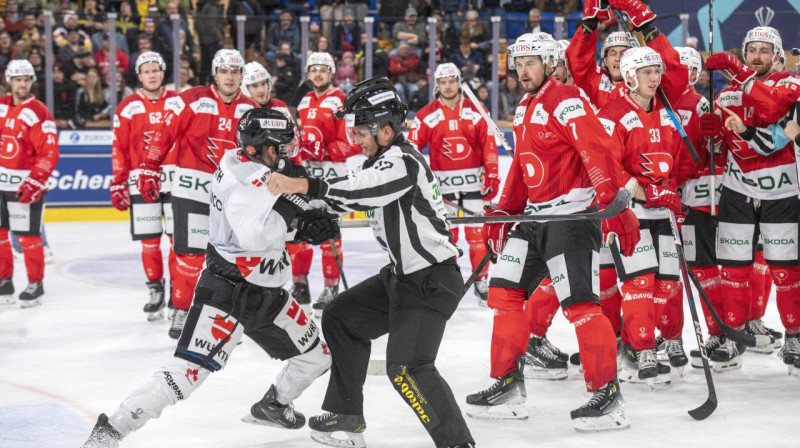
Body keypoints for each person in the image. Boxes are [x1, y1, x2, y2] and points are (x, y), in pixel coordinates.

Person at [80, 108, 334, 448]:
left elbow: (266, 219)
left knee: (317, 355)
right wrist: (297, 218)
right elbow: (254, 237)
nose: (285, 154)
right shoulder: (245, 181)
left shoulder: (239, 159)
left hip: (267, 294)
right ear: (258, 148)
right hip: (227, 294)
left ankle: (274, 404)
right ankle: (112, 429)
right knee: (185, 374)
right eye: (279, 147)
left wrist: (298, 221)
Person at [266, 76, 475, 448]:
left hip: (430, 281)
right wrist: (312, 213)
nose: (356, 138)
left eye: (362, 130)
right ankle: (346, 413)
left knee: (408, 369)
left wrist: (304, 186)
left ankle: (458, 443)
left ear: (386, 129)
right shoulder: (379, 160)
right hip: (402, 278)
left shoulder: (402, 160)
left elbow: (364, 192)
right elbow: (348, 196)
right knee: (341, 316)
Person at [463, 32, 639, 431]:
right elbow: (524, 170)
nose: (522, 71)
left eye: (531, 62)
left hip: (572, 219)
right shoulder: (525, 106)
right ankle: (507, 384)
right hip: (534, 220)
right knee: (503, 292)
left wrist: (615, 207)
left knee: (579, 305)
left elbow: (599, 153)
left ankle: (607, 396)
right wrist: (503, 210)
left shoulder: (567, 100)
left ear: (550, 62)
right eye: (517, 63)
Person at [135, 49, 258, 339]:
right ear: (215, 73)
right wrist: (149, 168)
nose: (230, 77)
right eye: (224, 71)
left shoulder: (250, 108)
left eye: (236, 71)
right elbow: (162, 135)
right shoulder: (190, 100)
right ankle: (182, 308)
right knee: (190, 256)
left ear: (242, 76)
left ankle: (227, 315)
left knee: (234, 257)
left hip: (233, 193)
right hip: (192, 187)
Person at [703, 26, 800, 371]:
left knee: (786, 270)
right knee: (733, 269)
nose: (756, 56)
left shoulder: (791, 84)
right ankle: (734, 334)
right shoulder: (726, 94)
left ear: (777, 55)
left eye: (764, 50)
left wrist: (739, 71)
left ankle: (794, 337)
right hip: (737, 191)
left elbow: (773, 109)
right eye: (751, 50)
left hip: (783, 192)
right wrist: (712, 138)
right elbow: (722, 149)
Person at [408, 62, 499, 305]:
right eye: (443, 82)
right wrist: (415, 179)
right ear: (437, 86)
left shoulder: (477, 110)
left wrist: (492, 174)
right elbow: (412, 149)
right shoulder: (426, 115)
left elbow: (489, 145)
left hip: (473, 183)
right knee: (447, 238)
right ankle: (451, 281)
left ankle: (481, 281)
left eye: (452, 81)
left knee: (477, 236)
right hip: (442, 188)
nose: (448, 87)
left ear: (459, 82)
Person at [110, 51, 181, 322]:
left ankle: (178, 291)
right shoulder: (128, 106)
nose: (151, 74)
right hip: (140, 181)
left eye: (155, 69)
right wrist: (118, 181)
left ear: (163, 73)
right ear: (139, 76)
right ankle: (155, 289)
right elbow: (119, 147)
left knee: (178, 242)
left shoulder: (178, 102)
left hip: (176, 180)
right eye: (146, 71)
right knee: (150, 242)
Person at [291, 52, 361, 316]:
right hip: (305, 174)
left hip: (332, 173)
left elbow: (352, 141)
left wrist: (325, 149)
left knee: (329, 231)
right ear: (308, 74)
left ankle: (331, 286)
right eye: (314, 69)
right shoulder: (304, 100)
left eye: (323, 69)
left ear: (332, 73)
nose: (318, 74)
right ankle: (300, 284)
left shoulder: (343, 101)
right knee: (299, 230)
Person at [0, 60, 59, 307]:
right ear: (9, 81)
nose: (22, 84)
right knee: (1, 235)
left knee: (29, 238)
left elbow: (49, 151)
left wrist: (36, 180)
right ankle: (5, 281)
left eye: (26, 79)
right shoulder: (1, 106)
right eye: (17, 79)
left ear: (31, 81)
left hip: (25, 185)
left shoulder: (39, 111)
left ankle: (35, 284)